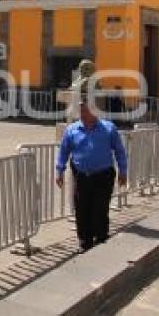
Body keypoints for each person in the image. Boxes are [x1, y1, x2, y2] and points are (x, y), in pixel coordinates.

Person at [56, 99, 128, 253]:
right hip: (82, 176)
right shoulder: (72, 130)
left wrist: (123, 171)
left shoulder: (109, 128)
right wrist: (59, 170)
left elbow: (119, 151)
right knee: (82, 209)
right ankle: (85, 241)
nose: (82, 114)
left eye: (85, 110)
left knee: (100, 208)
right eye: (80, 110)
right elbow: (63, 151)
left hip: (104, 175)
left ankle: (101, 237)